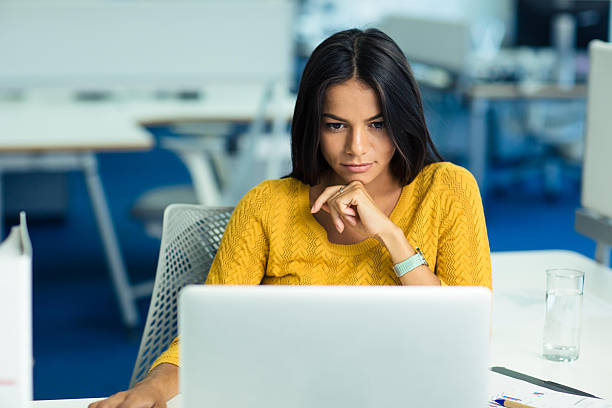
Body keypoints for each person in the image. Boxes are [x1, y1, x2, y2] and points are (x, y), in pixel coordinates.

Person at [91, 27, 492, 408]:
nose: (356, 147)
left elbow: (465, 336)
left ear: (403, 121)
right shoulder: (267, 205)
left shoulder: (447, 190)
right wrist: (153, 386)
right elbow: (208, 336)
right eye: (336, 126)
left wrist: (390, 235)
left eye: (377, 125)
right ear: (312, 127)